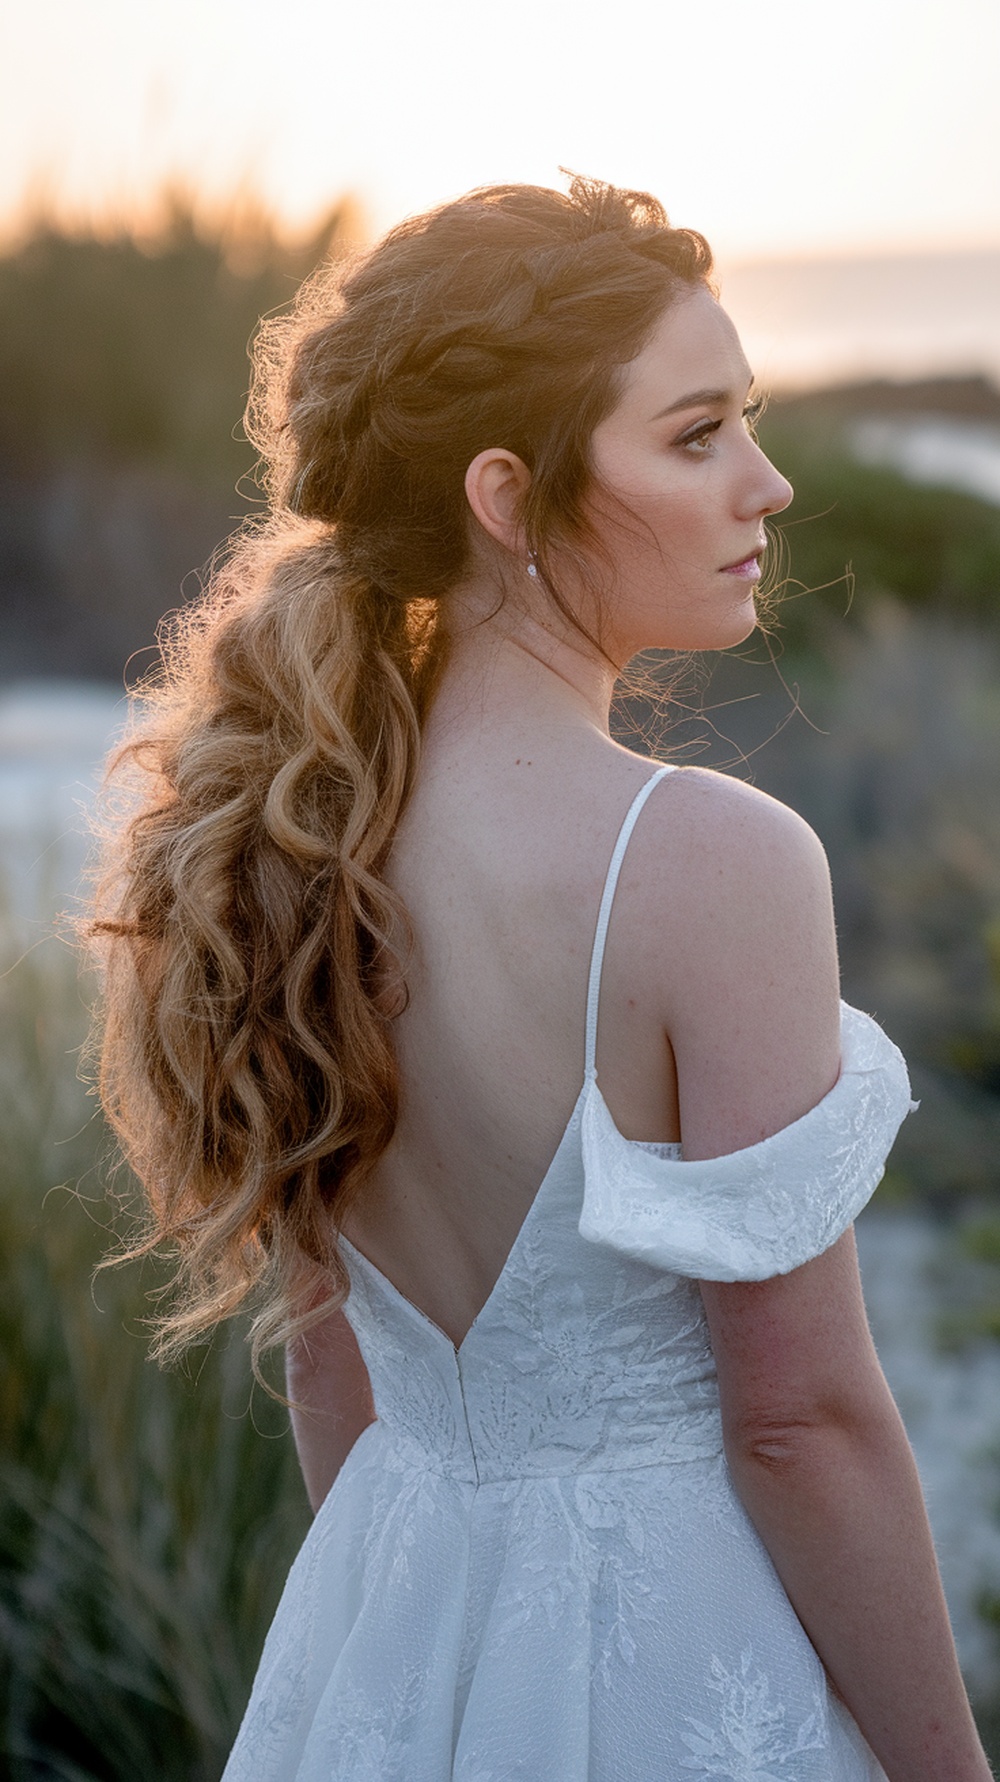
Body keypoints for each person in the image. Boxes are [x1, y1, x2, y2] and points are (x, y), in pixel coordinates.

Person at [90, 176, 993, 1781]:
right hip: (672, 1660)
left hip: (388, 1620)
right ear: (509, 494)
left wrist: (424, 1648)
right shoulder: (711, 860)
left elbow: (328, 1352)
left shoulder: (296, 847)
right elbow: (801, 1421)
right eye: (699, 434)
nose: (769, 485)